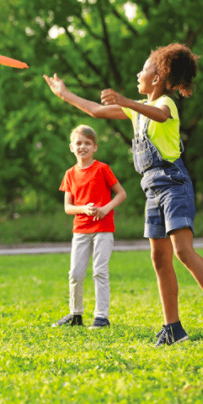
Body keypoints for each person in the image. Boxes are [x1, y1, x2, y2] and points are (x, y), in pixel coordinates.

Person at [44, 43, 203, 346]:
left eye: (144, 68)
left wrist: (125, 101)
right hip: (152, 190)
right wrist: (64, 93)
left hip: (174, 184)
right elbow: (96, 111)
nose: (138, 73)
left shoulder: (165, 103)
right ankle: (173, 328)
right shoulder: (136, 109)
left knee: (182, 251)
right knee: (159, 258)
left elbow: (160, 116)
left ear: (159, 76)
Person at [53, 125, 126, 329]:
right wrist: (83, 209)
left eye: (87, 143)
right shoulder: (69, 174)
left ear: (95, 147)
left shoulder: (102, 169)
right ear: (71, 147)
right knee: (75, 273)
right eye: (78, 143)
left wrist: (105, 208)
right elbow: (68, 207)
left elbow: (121, 193)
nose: (82, 147)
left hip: (103, 228)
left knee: (99, 271)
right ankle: (75, 315)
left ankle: (101, 317)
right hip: (80, 230)